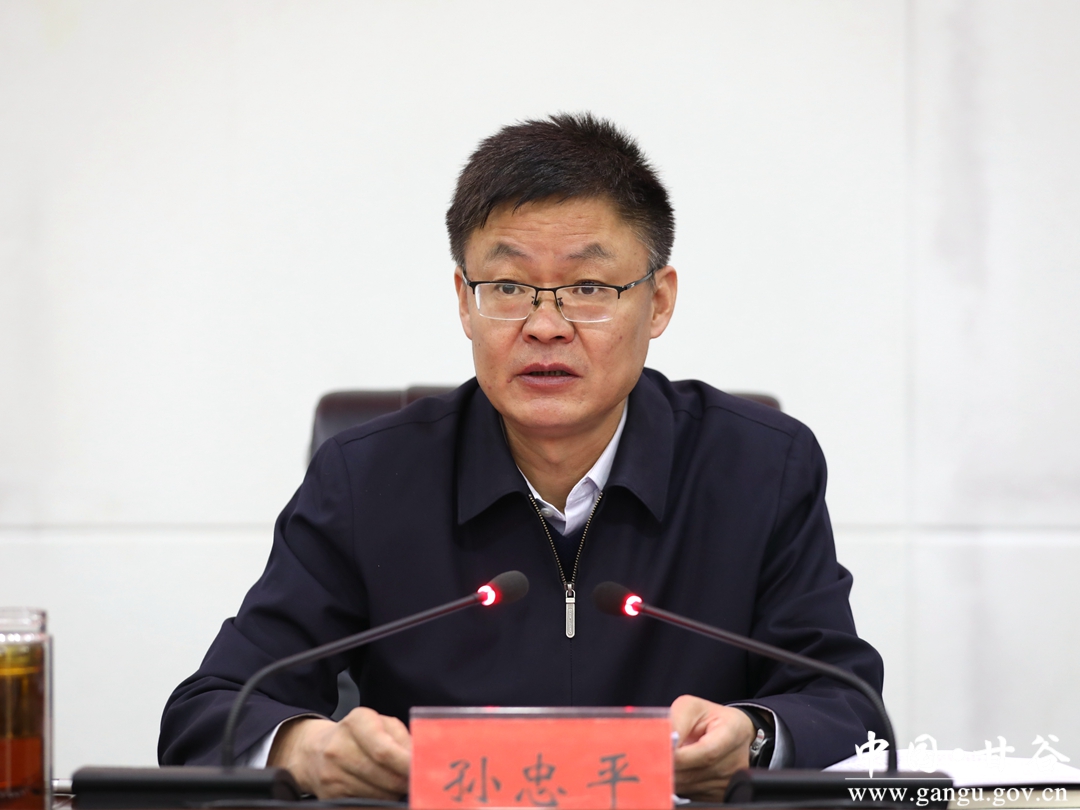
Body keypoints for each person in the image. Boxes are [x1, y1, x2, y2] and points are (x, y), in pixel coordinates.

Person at [159, 113, 884, 801]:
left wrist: (755, 738)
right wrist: (307, 749)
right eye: (508, 287)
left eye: (588, 288)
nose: (544, 326)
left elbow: (846, 705)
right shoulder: (368, 479)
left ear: (659, 302)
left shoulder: (758, 469)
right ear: (464, 301)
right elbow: (209, 711)